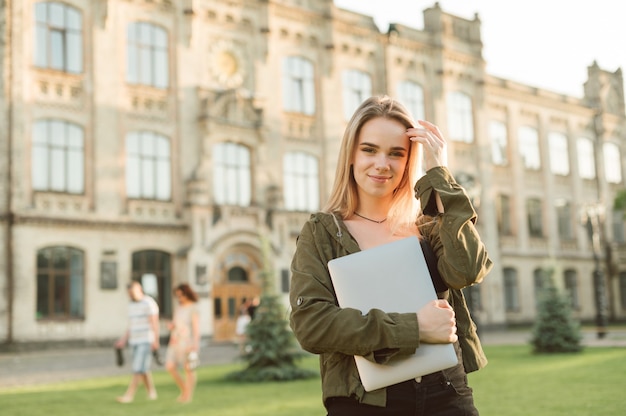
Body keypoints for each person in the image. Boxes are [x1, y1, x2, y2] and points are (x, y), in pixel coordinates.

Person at [289, 95, 493, 415]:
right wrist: (415, 327)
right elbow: (312, 324)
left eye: (396, 154)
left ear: (408, 161)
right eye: (369, 149)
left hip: (446, 393)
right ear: (351, 155)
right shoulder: (323, 233)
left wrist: (440, 173)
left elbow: (467, 270)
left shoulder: (427, 225)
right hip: (363, 400)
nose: (382, 164)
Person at [115, 280, 160, 403]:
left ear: (139, 290)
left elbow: (154, 324)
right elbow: (131, 325)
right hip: (134, 340)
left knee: (137, 368)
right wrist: (123, 340)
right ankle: (151, 392)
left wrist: (156, 341)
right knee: (143, 369)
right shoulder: (131, 305)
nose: (130, 295)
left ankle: (129, 395)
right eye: (129, 293)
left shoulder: (149, 303)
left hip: (146, 340)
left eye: (132, 292)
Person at [165, 283, 200, 403]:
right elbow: (176, 323)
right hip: (175, 340)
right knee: (170, 366)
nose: (179, 298)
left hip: (187, 341)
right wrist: (171, 326)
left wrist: (195, 344)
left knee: (188, 369)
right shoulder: (178, 308)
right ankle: (185, 390)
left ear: (187, 294)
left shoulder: (193, 308)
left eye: (181, 295)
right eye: (177, 296)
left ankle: (188, 396)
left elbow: (196, 328)